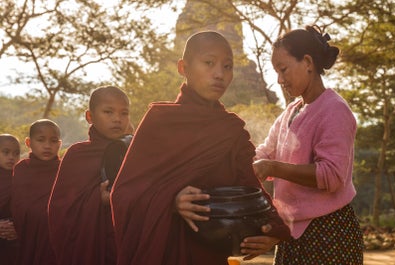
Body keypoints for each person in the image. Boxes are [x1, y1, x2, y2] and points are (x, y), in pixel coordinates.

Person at [110, 31, 290, 265]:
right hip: (163, 252)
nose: (220, 74)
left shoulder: (230, 130)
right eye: (209, 63)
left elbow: (250, 188)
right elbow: (124, 194)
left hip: (209, 255)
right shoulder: (159, 121)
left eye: (228, 66)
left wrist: (271, 230)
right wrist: (171, 202)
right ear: (183, 67)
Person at [246, 25, 364, 264]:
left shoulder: (334, 110)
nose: (279, 79)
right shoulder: (292, 111)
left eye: (283, 69)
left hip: (329, 235)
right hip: (293, 234)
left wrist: (272, 167)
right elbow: (264, 152)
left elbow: (331, 175)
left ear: (308, 62)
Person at [48, 85, 131, 265]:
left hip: (126, 244)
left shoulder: (134, 151)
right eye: (108, 112)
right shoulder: (77, 155)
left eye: (124, 113)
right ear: (90, 117)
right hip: (91, 248)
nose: (117, 119)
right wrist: (97, 200)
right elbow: (60, 211)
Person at [11, 119, 62, 265]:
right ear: (28, 143)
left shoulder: (64, 169)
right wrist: (14, 225)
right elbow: (16, 204)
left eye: (53, 141)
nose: (47, 146)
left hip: (53, 239)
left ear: (59, 144)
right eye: (41, 140)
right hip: (24, 237)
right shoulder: (21, 169)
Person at [0, 134, 20, 265]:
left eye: (16, 153)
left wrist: (19, 227)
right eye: (6, 152)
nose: (11, 157)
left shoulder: (22, 178)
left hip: (16, 243)